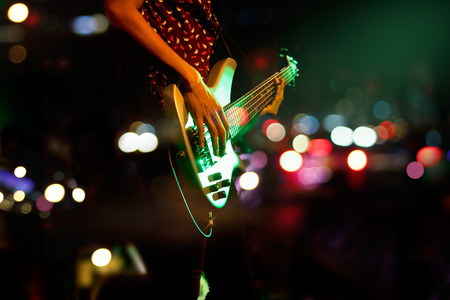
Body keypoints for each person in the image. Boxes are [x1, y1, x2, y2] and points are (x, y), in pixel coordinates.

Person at [101, 0, 286, 299]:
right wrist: (192, 79)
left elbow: (212, 101)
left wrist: (257, 109)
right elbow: (118, 8)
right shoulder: (189, 78)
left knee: (235, 285)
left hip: (201, 148)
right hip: (166, 131)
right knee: (181, 281)